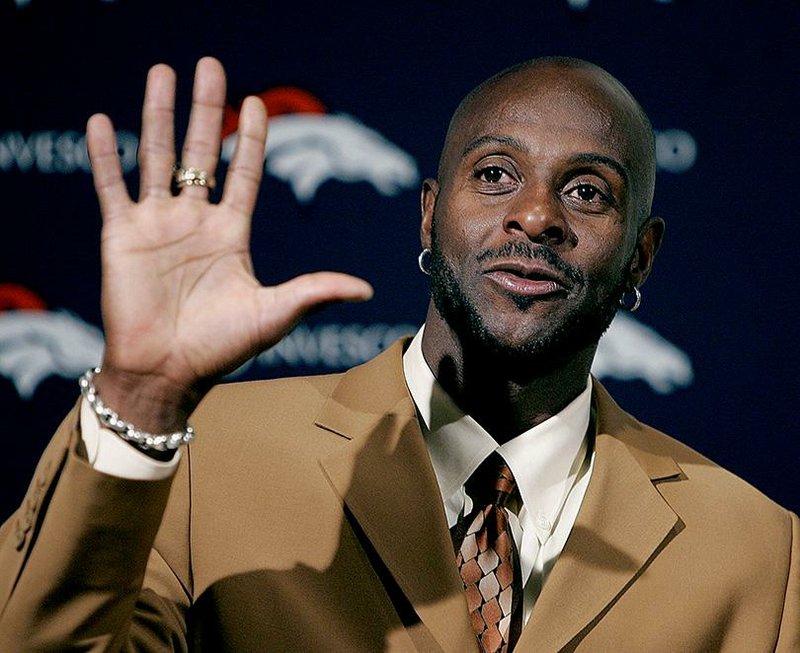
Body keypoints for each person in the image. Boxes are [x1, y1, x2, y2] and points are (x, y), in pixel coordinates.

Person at [0, 55, 796, 652]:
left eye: (587, 191)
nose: (535, 214)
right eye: (494, 173)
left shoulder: (759, 550)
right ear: (428, 216)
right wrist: (138, 399)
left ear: (641, 258)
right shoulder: (208, 460)